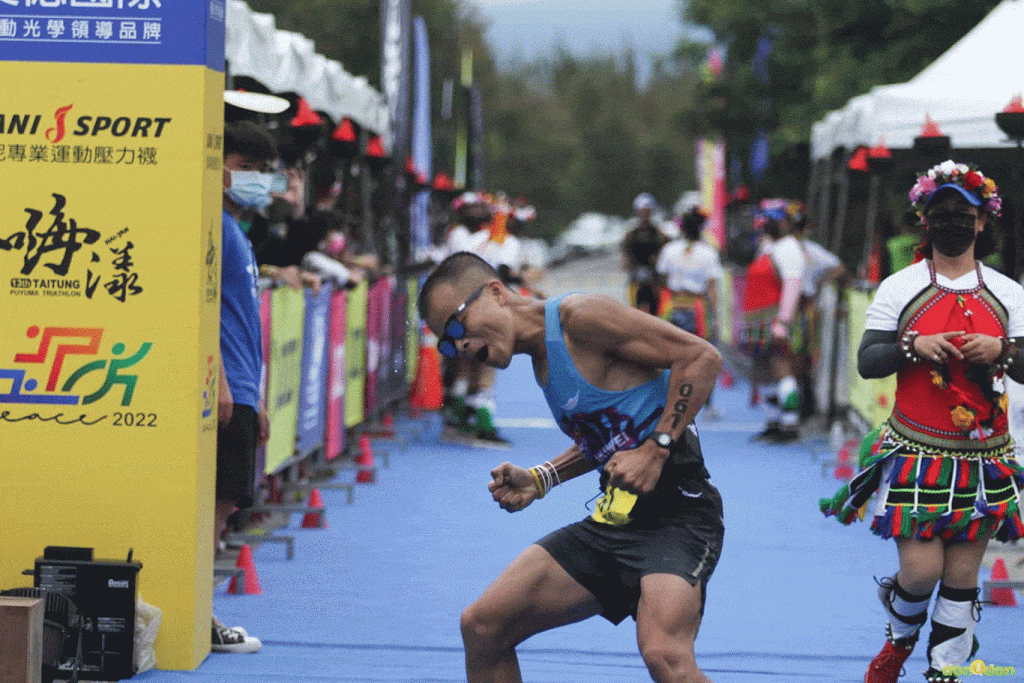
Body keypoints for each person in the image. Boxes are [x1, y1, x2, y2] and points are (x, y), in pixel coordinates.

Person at [419, 251, 725, 683]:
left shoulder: (579, 318)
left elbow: (700, 358)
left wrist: (655, 451)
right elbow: (611, 434)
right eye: (446, 344)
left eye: (457, 326)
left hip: (680, 516)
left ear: (495, 292)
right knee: (483, 627)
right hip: (615, 520)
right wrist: (542, 478)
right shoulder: (541, 357)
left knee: (665, 656)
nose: (462, 347)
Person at [819, 161, 1024, 683]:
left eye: (964, 214)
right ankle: (900, 638)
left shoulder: (1008, 293)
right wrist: (913, 346)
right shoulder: (900, 287)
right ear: (923, 221)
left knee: (961, 578)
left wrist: (1001, 349)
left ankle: (944, 673)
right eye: (941, 213)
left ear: (982, 222)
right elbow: (868, 360)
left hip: (983, 457)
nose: (952, 222)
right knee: (921, 571)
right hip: (917, 451)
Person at [212, 120, 277, 654]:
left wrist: (255, 392)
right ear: (221, 162)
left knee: (225, 508)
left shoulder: (238, 232)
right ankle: (201, 613)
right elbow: (200, 307)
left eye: (263, 173)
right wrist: (215, 378)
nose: (257, 180)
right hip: (224, 388)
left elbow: (244, 319)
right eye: (249, 168)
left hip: (241, 387)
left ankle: (200, 609)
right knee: (212, 509)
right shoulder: (213, 225)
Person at [740, 199, 806, 442]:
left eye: (772, 221)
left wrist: (783, 321)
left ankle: (790, 425)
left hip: (776, 317)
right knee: (762, 372)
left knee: (781, 368)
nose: (766, 225)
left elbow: (792, 285)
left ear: (785, 223)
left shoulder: (789, 247)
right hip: (758, 319)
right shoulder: (768, 247)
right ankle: (774, 421)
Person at [657, 206, 724, 418]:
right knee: (704, 355)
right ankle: (707, 405)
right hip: (698, 310)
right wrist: (716, 317)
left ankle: (667, 400)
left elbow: (662, 278)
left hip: (674, 306)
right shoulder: (709, 252)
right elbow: (712, 287)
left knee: (669, 355)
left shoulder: (669, 250)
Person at [622, 193, 670, 314]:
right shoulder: (631, 235)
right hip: (636, 281)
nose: (645, 214)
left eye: (647, 211)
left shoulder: (659, 234)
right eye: (642, 211)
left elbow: (665, 256)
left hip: (654, 281)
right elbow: (624, 259)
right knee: (635, 315)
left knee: (656, 315)